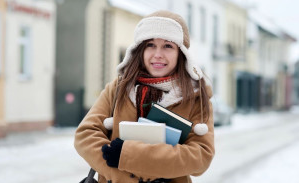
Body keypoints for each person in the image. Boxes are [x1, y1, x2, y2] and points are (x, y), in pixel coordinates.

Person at [74, 10, 214, 183]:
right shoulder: (118, 89)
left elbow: (201, 156)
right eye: (150, 45)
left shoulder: (195, 97)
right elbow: (85, 135)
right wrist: (120, 176)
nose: (157, 54)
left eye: (168, 46)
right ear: (140, 49)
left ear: (181, 53)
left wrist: (128, 155)